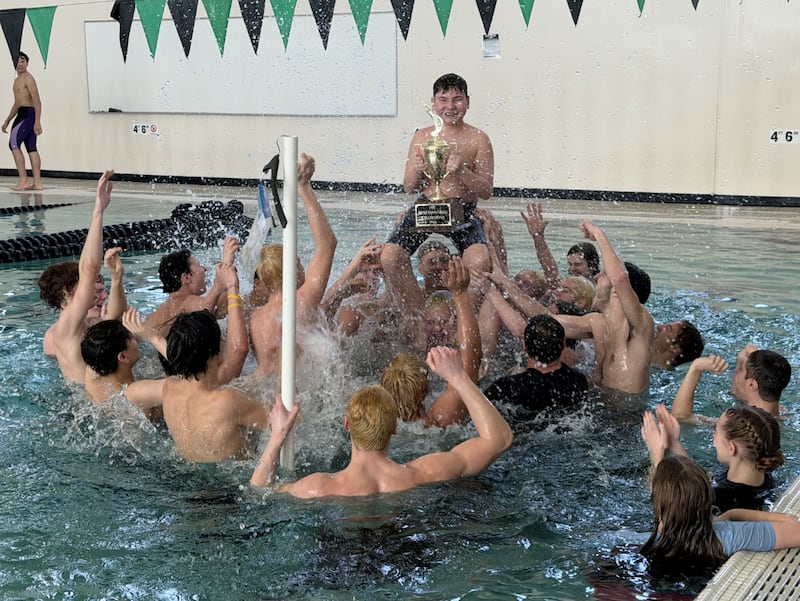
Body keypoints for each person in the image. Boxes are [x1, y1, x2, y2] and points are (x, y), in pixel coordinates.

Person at [251, 346, 513, 496]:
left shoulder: (319, 487)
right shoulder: (424, 474)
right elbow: (499, 439)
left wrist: (277, 436)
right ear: (395, 427)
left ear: (346, 425)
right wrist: (457, 377)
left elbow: (259, 491)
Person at [381, 73, 494, 309]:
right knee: (390, 257)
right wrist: (416, 168)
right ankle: (418, 316)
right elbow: (409, 187)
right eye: (443, 100)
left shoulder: (478, 139)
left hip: (462, 209)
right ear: (433, 103)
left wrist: (462, 170)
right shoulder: (422, 137)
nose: (450, 106)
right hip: (427, 206)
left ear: (468, 102)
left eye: (457, 99)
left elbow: (486, 191)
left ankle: (462, 320)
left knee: (480, 262)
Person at [249, 153, 337, 377]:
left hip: (266, 390)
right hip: (300, 391)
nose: (303, 268)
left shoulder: (255, 319)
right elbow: (327, 245)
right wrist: (304, 187)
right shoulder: (301, 302)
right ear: (292, 272)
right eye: (298, 263)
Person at [640, 455, 800, 574]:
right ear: (708, 498)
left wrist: (732, 513)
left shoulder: (643, 542)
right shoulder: (728, 535)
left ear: (657, 504)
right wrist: (736, 515)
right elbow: (795, 530)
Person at [38, 171, 123, 383]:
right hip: (91, 403)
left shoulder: (84, 324)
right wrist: (98, 212)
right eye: (86, 286)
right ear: (68, 291)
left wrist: (116, 279)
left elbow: (117, 318)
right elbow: (89, 270)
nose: (93, 289)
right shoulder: (66, 326)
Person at [160, 306, 266, 462]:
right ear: (216, 351)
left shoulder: (169, 387)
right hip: (232, 484)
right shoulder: (227, 401)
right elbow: (284, 422)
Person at [642, 404, 784, 515]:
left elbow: (665, 505)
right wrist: (674, 443)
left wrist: (656, 454)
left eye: (716, 432)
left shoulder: (721, 501)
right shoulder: (762, 477)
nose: (713, 436)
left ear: (731, 448)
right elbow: (701, 482)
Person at [483, 315, 588, 429]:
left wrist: (482, 378)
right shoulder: (578, 381)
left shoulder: (507, 387)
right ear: (563, 345)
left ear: (525, 348)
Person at [81, 308, 166, 419]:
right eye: (131, 338)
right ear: (123, 357)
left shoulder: (93, 372)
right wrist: (154, 337)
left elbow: (99, 343)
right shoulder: (135, 393)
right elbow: (189, 379)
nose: (135, 339)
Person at [145, 236, 240, 334]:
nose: (204, 269)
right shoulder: (186, 301)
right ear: (186, 278)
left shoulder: (154, 316)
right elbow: (205, 312)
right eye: (199, 266)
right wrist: (226, 263)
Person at [671, 345, 792, 421]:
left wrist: (696, 368)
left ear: (751, 385)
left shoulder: (739, 425)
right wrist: (745, 362)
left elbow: (681, 417)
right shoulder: (783, 413)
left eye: (739, 370)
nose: (736, 372)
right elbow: (741, 394)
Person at [521, 202, 600, 291]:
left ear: (592, 265)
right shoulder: (566, 286)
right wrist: (538, 237)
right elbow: (550, 271)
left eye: (578, 264)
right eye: (570, 264)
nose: (571, 269)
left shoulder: (601, 289)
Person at [2, 52, 43, 191]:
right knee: (31, 147)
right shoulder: (17, 80)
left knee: (13, 144)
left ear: (27, 63)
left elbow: (37, 100)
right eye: (17, 61)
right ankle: (37, 183)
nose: (20, 64)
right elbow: (17, 103)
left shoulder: (28, 78)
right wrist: (7, 120)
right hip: (23, 113)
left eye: (23, 61)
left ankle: (24, 181)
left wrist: (37, 121)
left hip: (27, 115)